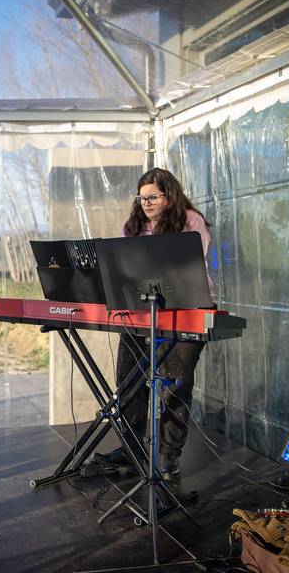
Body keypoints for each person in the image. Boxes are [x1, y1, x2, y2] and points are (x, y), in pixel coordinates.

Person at [95, 167, 213, 481]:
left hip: (185, 312)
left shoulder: (191, 221)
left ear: (169, 195)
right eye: (142, 197)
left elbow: (189, 265)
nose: (146, 203)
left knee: (175, 384)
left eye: (153, 197)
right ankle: (132, 451)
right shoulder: (133, 227)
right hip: (141, 314)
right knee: (129, 380)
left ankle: (169, 457)